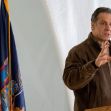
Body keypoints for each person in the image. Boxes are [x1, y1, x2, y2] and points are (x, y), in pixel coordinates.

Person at [63, 7, 111, 111]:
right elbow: (70, 82)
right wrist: (94, 65)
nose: (108, 28)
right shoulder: (78, 52)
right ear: (92, 26)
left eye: (110, 24)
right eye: (103, 23)